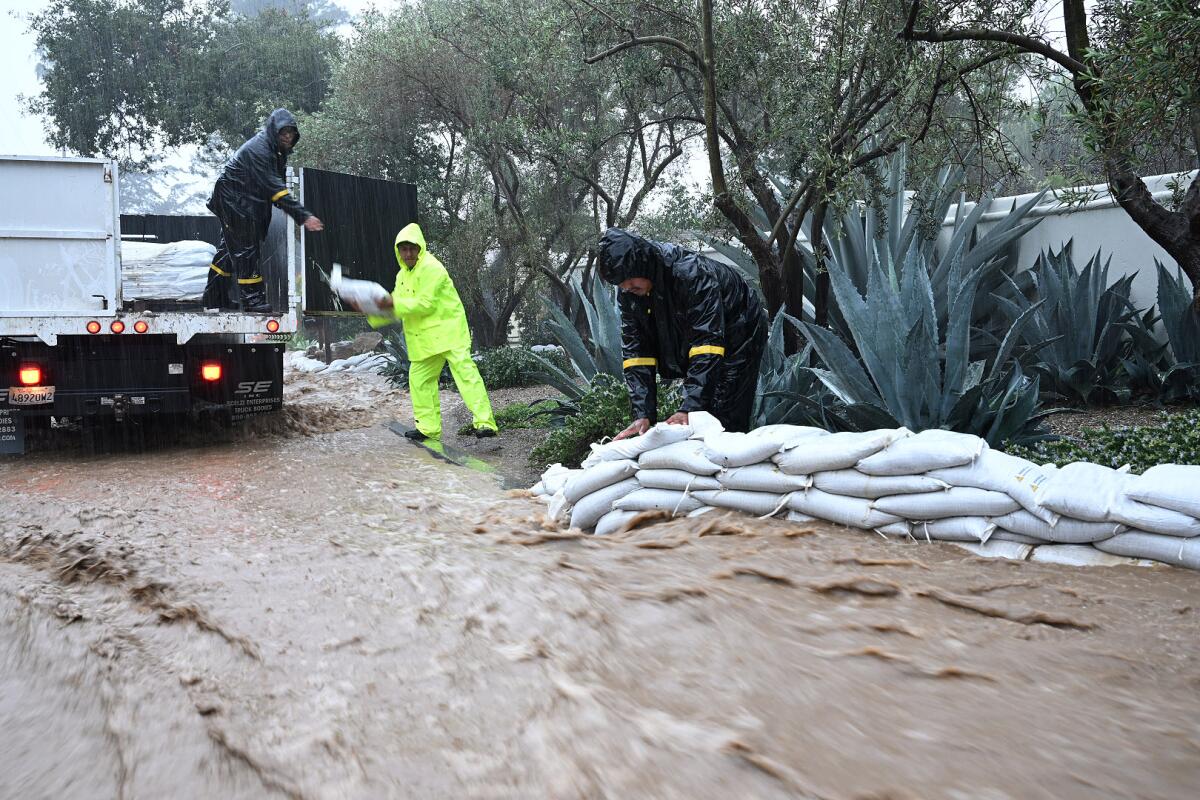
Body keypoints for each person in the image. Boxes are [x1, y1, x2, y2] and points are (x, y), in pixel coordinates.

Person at [596, 227, 767, 440]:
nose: (626, 287)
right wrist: (643, 413)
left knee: (724, 411)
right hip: (700, 335)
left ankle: (730, 459)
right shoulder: (631, 292)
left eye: (630, 280)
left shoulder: (691, 274)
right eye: (620, 283)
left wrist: (689, 408)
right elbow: (637, 351)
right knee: (700, 410)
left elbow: (707, 342)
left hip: (740, 329)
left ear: (644, 265)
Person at [365, 223, 498, 440]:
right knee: (419, 381)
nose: (408, 253)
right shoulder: (402, 276)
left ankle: (485, 423)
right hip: (426, 339)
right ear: (398, 251)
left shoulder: (432, 268)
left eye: (412, 248)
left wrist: (387, 304)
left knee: (466, 375)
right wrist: (372, 312)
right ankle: (427, 429)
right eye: (404, 249)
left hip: (449, 331)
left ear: (420, 248)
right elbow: (396, 305)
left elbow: (424, 304)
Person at [203, 108, 324, 312]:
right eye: (283, 132)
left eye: (291, 133)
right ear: (274, 132)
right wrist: (302, 215)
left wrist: (286, 205)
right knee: (246, 250)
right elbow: (275, 188)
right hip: (235, 202)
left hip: (239, 200)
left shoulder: (276, 150)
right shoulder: (260, 150)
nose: (288, 136)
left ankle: (214, 297)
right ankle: (252, 300)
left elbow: (276, 187)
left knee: (229, 250)